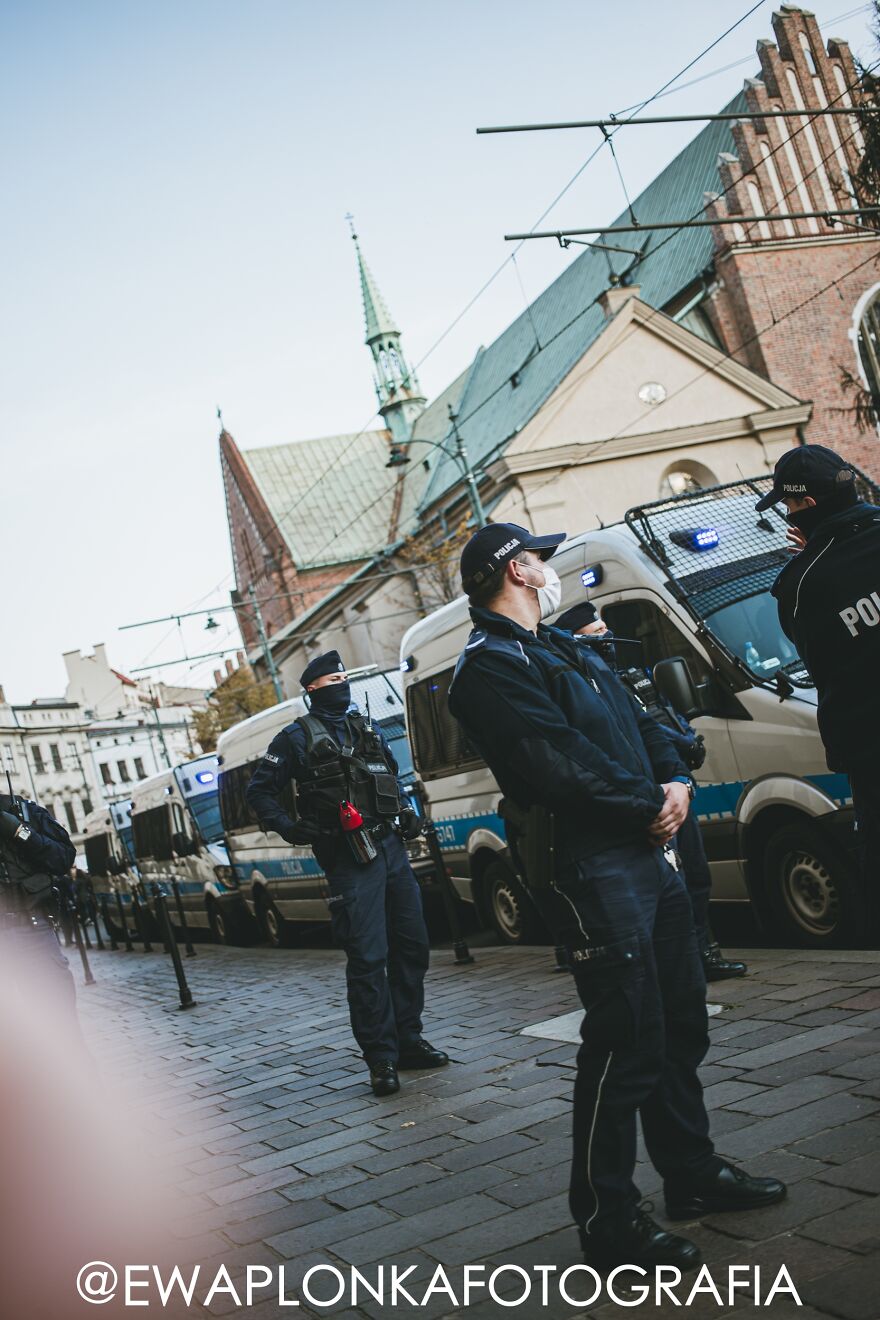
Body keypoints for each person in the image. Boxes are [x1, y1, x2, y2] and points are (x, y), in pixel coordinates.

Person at [447, 522, 784, 1272]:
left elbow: (640, 721)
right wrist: (645, 804)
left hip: (644, 851)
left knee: (678, 1021)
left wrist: (673, 779)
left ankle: (691, 1175)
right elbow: (552, 766)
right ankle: (607, 1217)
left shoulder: (560, 647)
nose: (548, 567)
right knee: (624, 1039)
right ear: (513, 572)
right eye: (536, 558)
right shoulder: (488, 667)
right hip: (592, 867)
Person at [246, 651, 447, 1096]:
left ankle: (408, 1040)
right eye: (333, 680)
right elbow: (259, 791)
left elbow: (392, 778)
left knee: (412, 946)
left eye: (344, 678)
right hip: (349, 859)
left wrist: (408, 813)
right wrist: (292, 828)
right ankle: (382, 1058)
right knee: (368, 957)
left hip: (390, 849)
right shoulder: (295, 738)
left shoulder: (366, 729)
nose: (343, 685)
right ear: (313, 690)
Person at [554, 599, 747, 982]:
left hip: (673, 783)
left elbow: (658, 714)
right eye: (597, 634)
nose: (607, 638)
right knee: (673, 882)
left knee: (696, 875)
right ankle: (687, 961)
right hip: (648, 794)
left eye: (605, 631)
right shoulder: (588, 684)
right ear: (579, 641)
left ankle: (703, 954)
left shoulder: (630, 674)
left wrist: (684, 744)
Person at [758, 443, 880, 901]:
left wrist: (816, 556)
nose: (788, 515)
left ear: (807, 506)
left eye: (789, 505)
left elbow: (818, 656)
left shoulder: (801, 584)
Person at [0, 788, 79, 1022]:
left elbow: (63, 857)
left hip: (32, 931)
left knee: (59, 1018)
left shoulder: (23, 811)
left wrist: (20, 832)